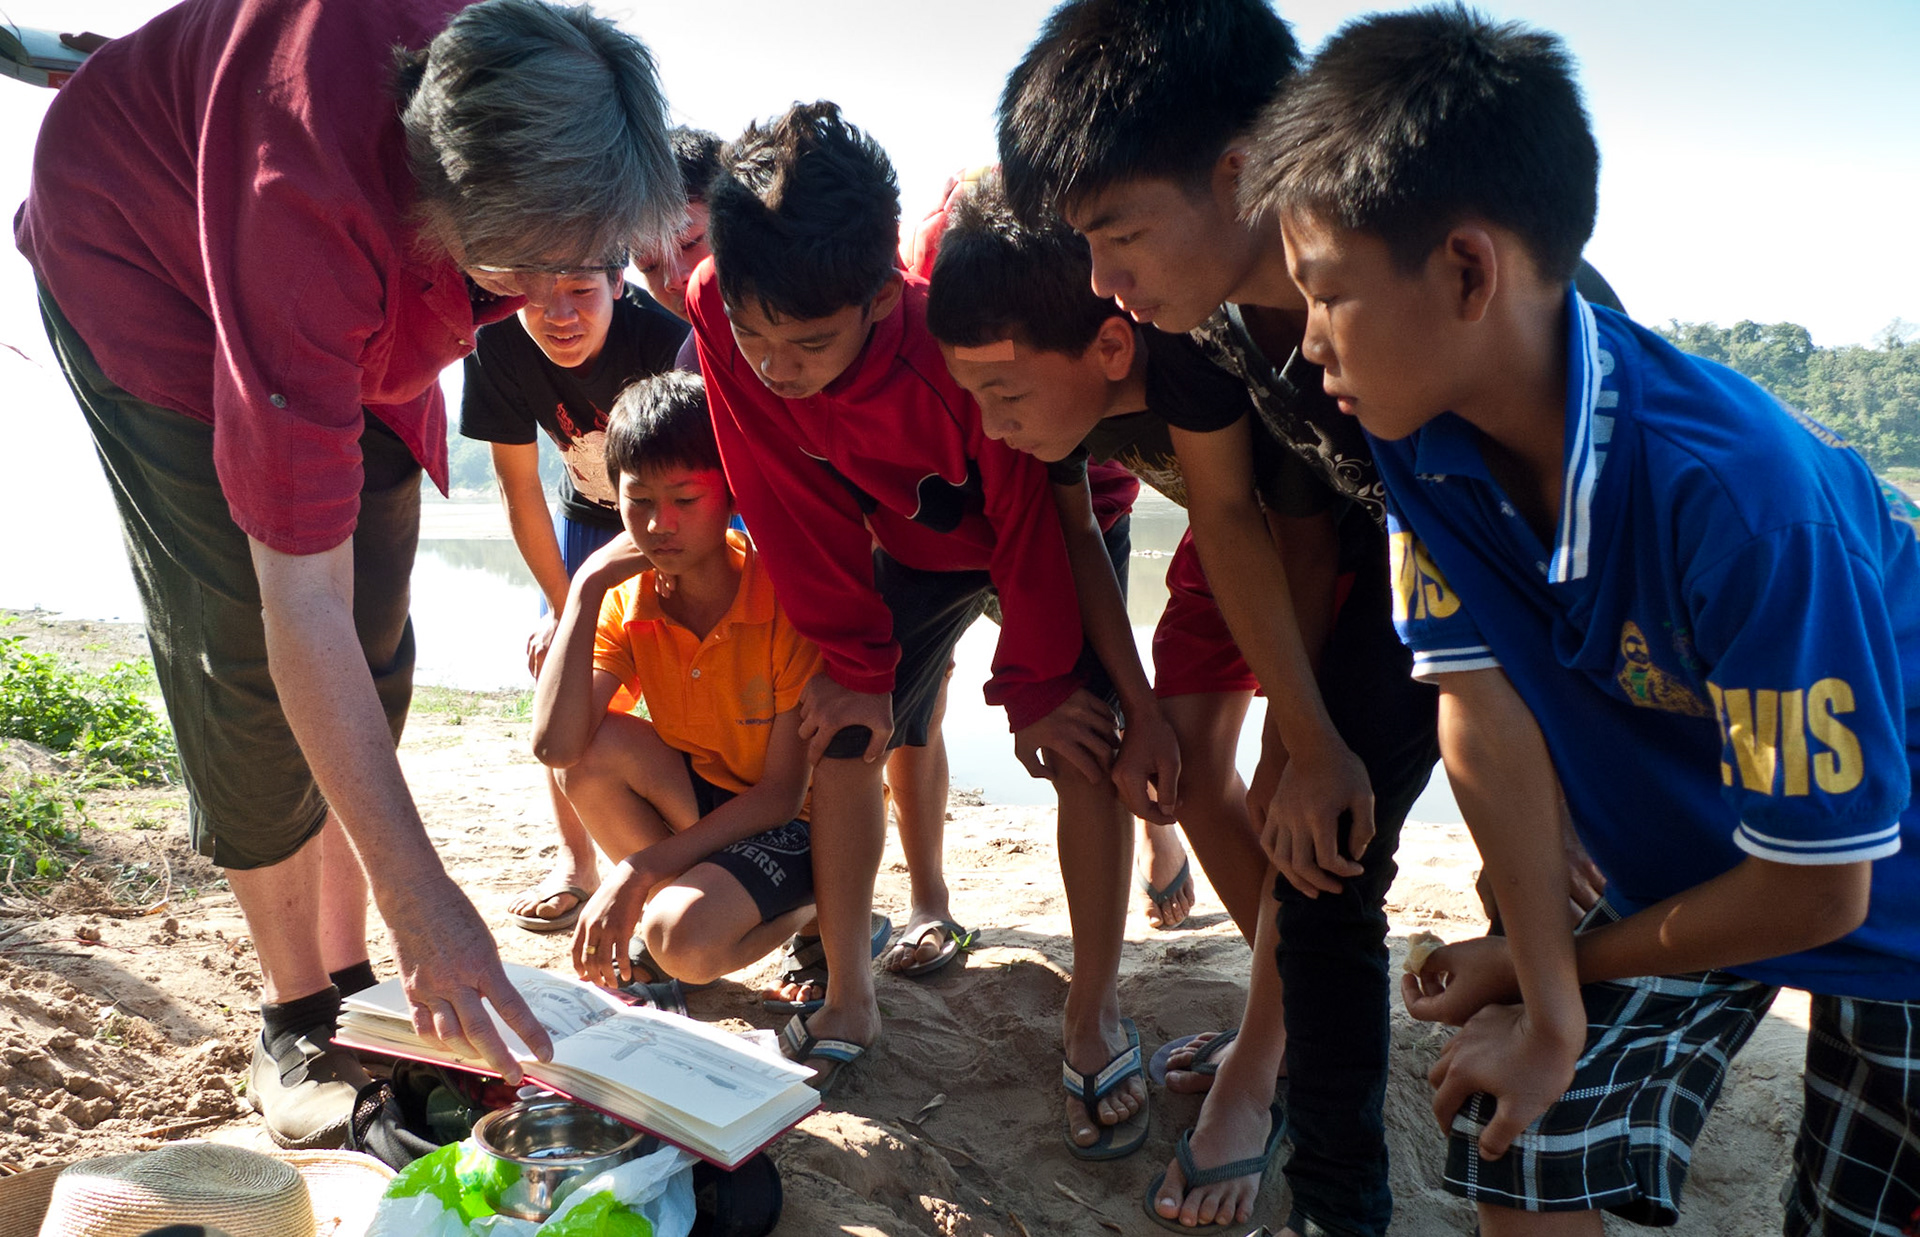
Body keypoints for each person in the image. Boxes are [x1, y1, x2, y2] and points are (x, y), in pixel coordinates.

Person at [1243, 9, 1920, 1236]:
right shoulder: (1421, 439)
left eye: (1328, 297)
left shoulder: (1749, 510)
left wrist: (1550, 969)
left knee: (1856, 1206)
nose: (1307, 349)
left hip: (1878, 874)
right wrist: (1546, 1008)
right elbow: (1479, 709)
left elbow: (1821, 894)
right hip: (1706, 847)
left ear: (1464, 272)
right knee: (1514, 1130)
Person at [16, 0, 682, 1149]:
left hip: (371, 289)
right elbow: (293, 605)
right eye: (528, 273)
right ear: (443, 205)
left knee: (376, 629)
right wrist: (425, 896)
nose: (554, 298)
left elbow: (346, 614)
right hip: (147, 263)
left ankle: (353, 969)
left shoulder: (520, 79)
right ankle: (297, 1007)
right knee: (246, 642)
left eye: (582, 266)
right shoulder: (307, 211)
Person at [997, 2, 1444, 1230]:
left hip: (1497, 569)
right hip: (1397, 560)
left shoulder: (1397, 281)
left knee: (1333, 854)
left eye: (1119, 234)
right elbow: (1238, 517)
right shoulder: (1199, 321)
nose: (1103, 284)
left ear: (1241, 173)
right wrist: (1305, 735)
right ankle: (1317, 1142)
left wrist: (1319, 747)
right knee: (1316, 848)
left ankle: (1314, 1156)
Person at [689, 101, 1179, 1136]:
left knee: (1077, 743)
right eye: (754, 332)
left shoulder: (950, 339)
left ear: (879, 296)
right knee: (844, 727)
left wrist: (1041, 687)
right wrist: (855, 655)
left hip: (1046, 514)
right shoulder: (719, 317)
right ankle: (850, 997)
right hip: (909, 543)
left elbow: (1034, 514)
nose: (777, 364)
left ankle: (1091, 1010)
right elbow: (779, 488)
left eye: (810, 342)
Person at [529, 371, 823, 998]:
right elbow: (555, 746)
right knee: (589, 756)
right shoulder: (628, 598)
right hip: (705, 800)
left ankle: (821, 911)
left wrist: (638, 870)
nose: (660, 524)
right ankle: (697, 901)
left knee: (679, 944)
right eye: (639, 501)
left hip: (797, 820)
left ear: (730, 496)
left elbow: (779, 796)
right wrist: (581, 592)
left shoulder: (779, 597)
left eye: (685, 500)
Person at [462, 255, 688, 937]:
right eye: (534, 293)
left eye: (582, 292)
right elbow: (516, 483)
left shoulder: (665, 336)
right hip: (586, 517)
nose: (559, 316)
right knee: (560, 679)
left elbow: (705, 476)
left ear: (620, 283)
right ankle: (575, 862)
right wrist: (566, 608)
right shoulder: (495, 335)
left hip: (675, 512)